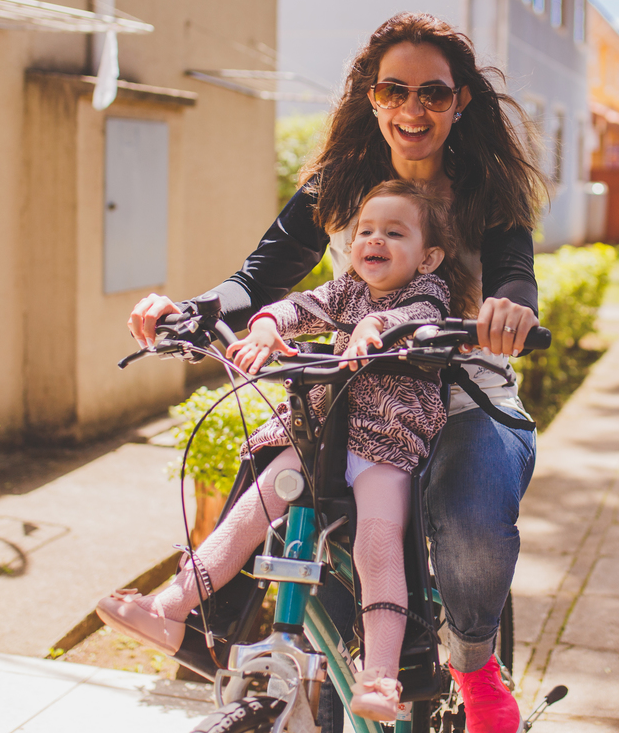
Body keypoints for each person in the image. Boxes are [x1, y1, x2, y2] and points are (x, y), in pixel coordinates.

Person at [125, 12, 546, 733]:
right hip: (359, 394)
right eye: (394, 90)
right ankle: (206, 628)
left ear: (461, 101)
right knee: (276, 480)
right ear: (371, 97)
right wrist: (193, 310)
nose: (413, 108)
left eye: (434, 93)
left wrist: (509, 309)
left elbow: (514, 276)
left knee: (473, 525)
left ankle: (476, 669)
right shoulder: (339, 185)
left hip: (463, 400)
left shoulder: (488, 192)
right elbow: (262, 277)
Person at [100, 180, 479, 721]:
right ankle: (171, 607)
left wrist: (375, 326)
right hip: (322, 432)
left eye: (395, 233)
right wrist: (264, 326)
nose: (375, 240)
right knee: (249, 513)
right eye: (365, 231)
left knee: (377, 545)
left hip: (386, 443)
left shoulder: (427, 292)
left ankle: (380, 676)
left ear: (428, 257)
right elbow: (303, 304)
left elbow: (418, 317)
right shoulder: (347, 289)